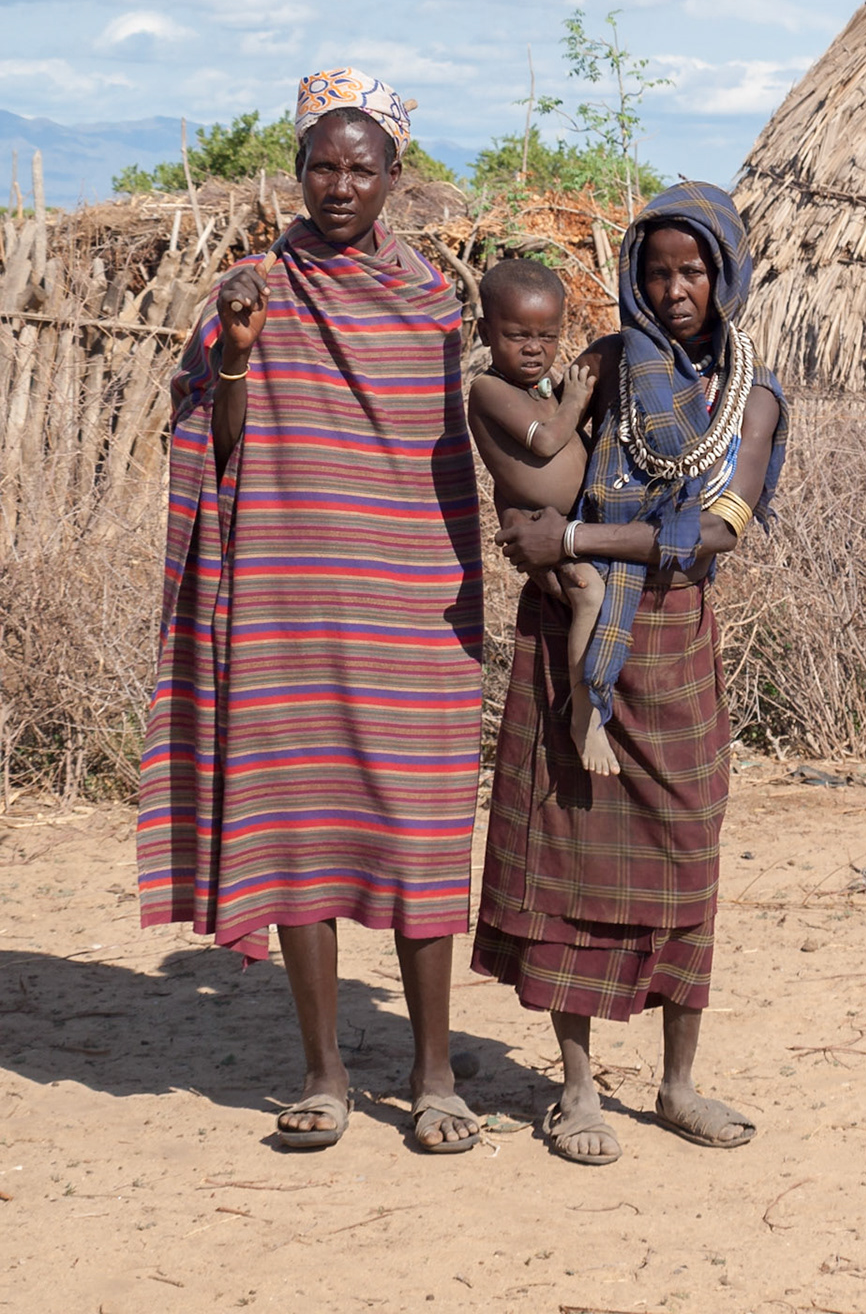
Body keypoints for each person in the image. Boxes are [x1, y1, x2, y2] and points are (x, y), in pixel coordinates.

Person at [137, 67, 485, 1154]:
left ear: (396, 176)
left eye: (361, 167)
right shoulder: (250, 292)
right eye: (322, 166)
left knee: (421, 835)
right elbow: (216, 452)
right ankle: (326, 1072)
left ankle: (434, 1076)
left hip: (415, 604)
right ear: (296, 172)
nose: (340, 185)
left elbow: (455, 455)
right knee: (301, 832)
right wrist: (237, 361)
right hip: (289, 604)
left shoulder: (431, 298)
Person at [477, 182, 787, 1166]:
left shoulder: (757, 398)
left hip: (673, 646)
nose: (674, 286)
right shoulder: (603, 367)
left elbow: (707, 539)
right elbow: (528, 460)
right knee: (569, 860)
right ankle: (574, 1093)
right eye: (656, 270)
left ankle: (678, 1084)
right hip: (572, 640)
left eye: (692, 268)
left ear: (725, 272)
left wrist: (570, 534)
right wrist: (544, 533)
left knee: (687, 863)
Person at [465, 259, 614, 774]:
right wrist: (574, 399)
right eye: (517, 335)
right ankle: (583, 710)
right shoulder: (489, 390)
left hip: (574, 519)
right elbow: (549, 440)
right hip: (537, 527)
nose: (534, 348)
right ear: (485, 332)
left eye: (547, 336)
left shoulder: (542, 384)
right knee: (588, 593)